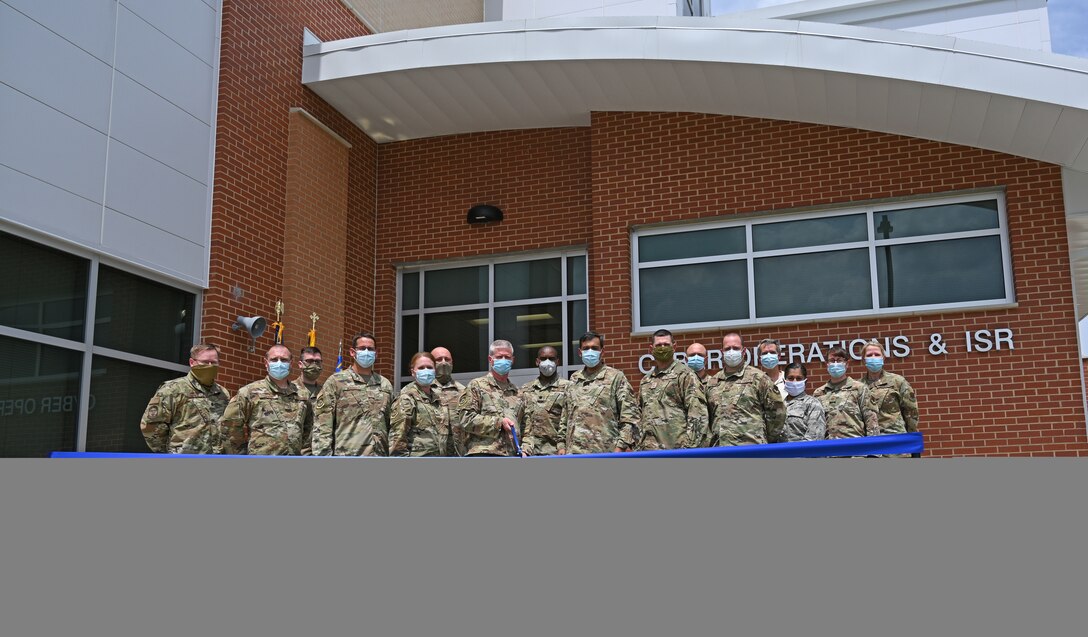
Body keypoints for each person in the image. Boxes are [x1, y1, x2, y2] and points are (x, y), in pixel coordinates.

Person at [556, 331, 640, 455]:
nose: (590, 351)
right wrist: (561, 446)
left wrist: (620, 448)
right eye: (586, 348)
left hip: (606, 453)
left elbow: (630, 417)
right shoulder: (574, 379)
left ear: (602, 352)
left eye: (594, 348)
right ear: (580, 352)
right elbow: (565, 416)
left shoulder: (616, 377)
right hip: (573, 454)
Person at [220, 345, 313, 455]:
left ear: (291, 363)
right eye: (274, 359)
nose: (279, 363)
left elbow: (309, 428)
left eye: (284, 360)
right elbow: (230, 425)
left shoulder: (302, 394)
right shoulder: (249, 392)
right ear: (266, 363)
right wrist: (240, 456)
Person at [311, 331, 393, 456]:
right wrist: (323, 458)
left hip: (379, 457)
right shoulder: (336, 382)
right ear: (352, 352)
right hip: (347, 457)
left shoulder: (385, 384)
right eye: (362, 348)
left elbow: (391, 425)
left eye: (370, 349)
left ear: (376, 354)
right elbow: (322, 426)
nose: (366, 352)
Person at [140, 343, 231, 454]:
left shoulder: (223, 393)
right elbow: (151, 425)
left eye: (214, 362)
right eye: (205, 362)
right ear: (192, 363)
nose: (210, 365)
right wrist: (166, 454)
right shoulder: (173, 389)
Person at [705, 332, 786, 446]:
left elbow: (778, 414)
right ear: (722, 352)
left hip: (752, 449)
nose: (731, 351)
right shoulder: (713, 383)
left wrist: (762, 437)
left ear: (743, 351)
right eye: (727, 348)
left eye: (736, 348)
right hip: (721, 451)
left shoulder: (759, 378)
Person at [637, 329, 708, 450]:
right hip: (649, 453)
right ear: (651, 349)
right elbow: (639, 416)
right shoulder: (646, 381)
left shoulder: (686, 375)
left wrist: (689, 450)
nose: (663, 348)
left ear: (674, 347)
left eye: (666, 344)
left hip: (677, 451)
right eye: (658, 345)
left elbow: (698, 416)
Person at [458, 339, 524, 456]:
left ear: (512, 360)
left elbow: (526, 425)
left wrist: (525, 450)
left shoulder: (518, 393)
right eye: (499, 357)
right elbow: (465, 419)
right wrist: (498, 423)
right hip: (483, 453)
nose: (503, 360)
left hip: (511, 454)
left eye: (507, 357)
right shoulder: (476, 386)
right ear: (490, 360)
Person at [388, 352, 452, 457]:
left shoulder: (439, 399)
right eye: (421, 368)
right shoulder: (406, 398)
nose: (426, 371)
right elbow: (397, 440)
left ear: (435, 371)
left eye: (429, 367)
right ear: (413, 372)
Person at [813, 346, 879, 439]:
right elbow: (816, 426)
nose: (835, 363)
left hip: (855, 450)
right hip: (829, 450)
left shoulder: (860, 388)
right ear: (827, 364)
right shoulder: (819, 393)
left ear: (847, 364)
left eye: (839, 360)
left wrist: (874, 452)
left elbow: (871, 422)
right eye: (832, 360)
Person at [519, 345, 571, 456]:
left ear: (557, 362)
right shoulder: (525, 389)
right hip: (529, 452)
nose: (547, 362)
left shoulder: (569, 387)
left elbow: (571, 421)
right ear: (537, 362)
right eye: (543, 359)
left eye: (551, 359)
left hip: (557, 452)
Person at [861, 339, 919, 436]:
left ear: (883, 357)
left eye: (877, 354)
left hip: (896, 439)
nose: (873, 357)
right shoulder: (859, 386)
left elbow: (911, 412)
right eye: (869, 355)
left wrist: (910, 438)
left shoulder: (898, 381)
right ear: (863, 359)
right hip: (871, 441)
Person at [431, 346, 466, 456]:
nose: (443, 363)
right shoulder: (422, 390)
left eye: (447, 359)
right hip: (429, 455)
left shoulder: (463, 392)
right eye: (439, 359)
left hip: (457, 454)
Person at [782, 362, 826, 442]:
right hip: (780, 453)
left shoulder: (812, 404)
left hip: (802, 452)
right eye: (791, 378)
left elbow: (815, 437)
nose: (794, 382)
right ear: (784, 381)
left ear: (805, 382)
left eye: (798, 378)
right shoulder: (779, 405)